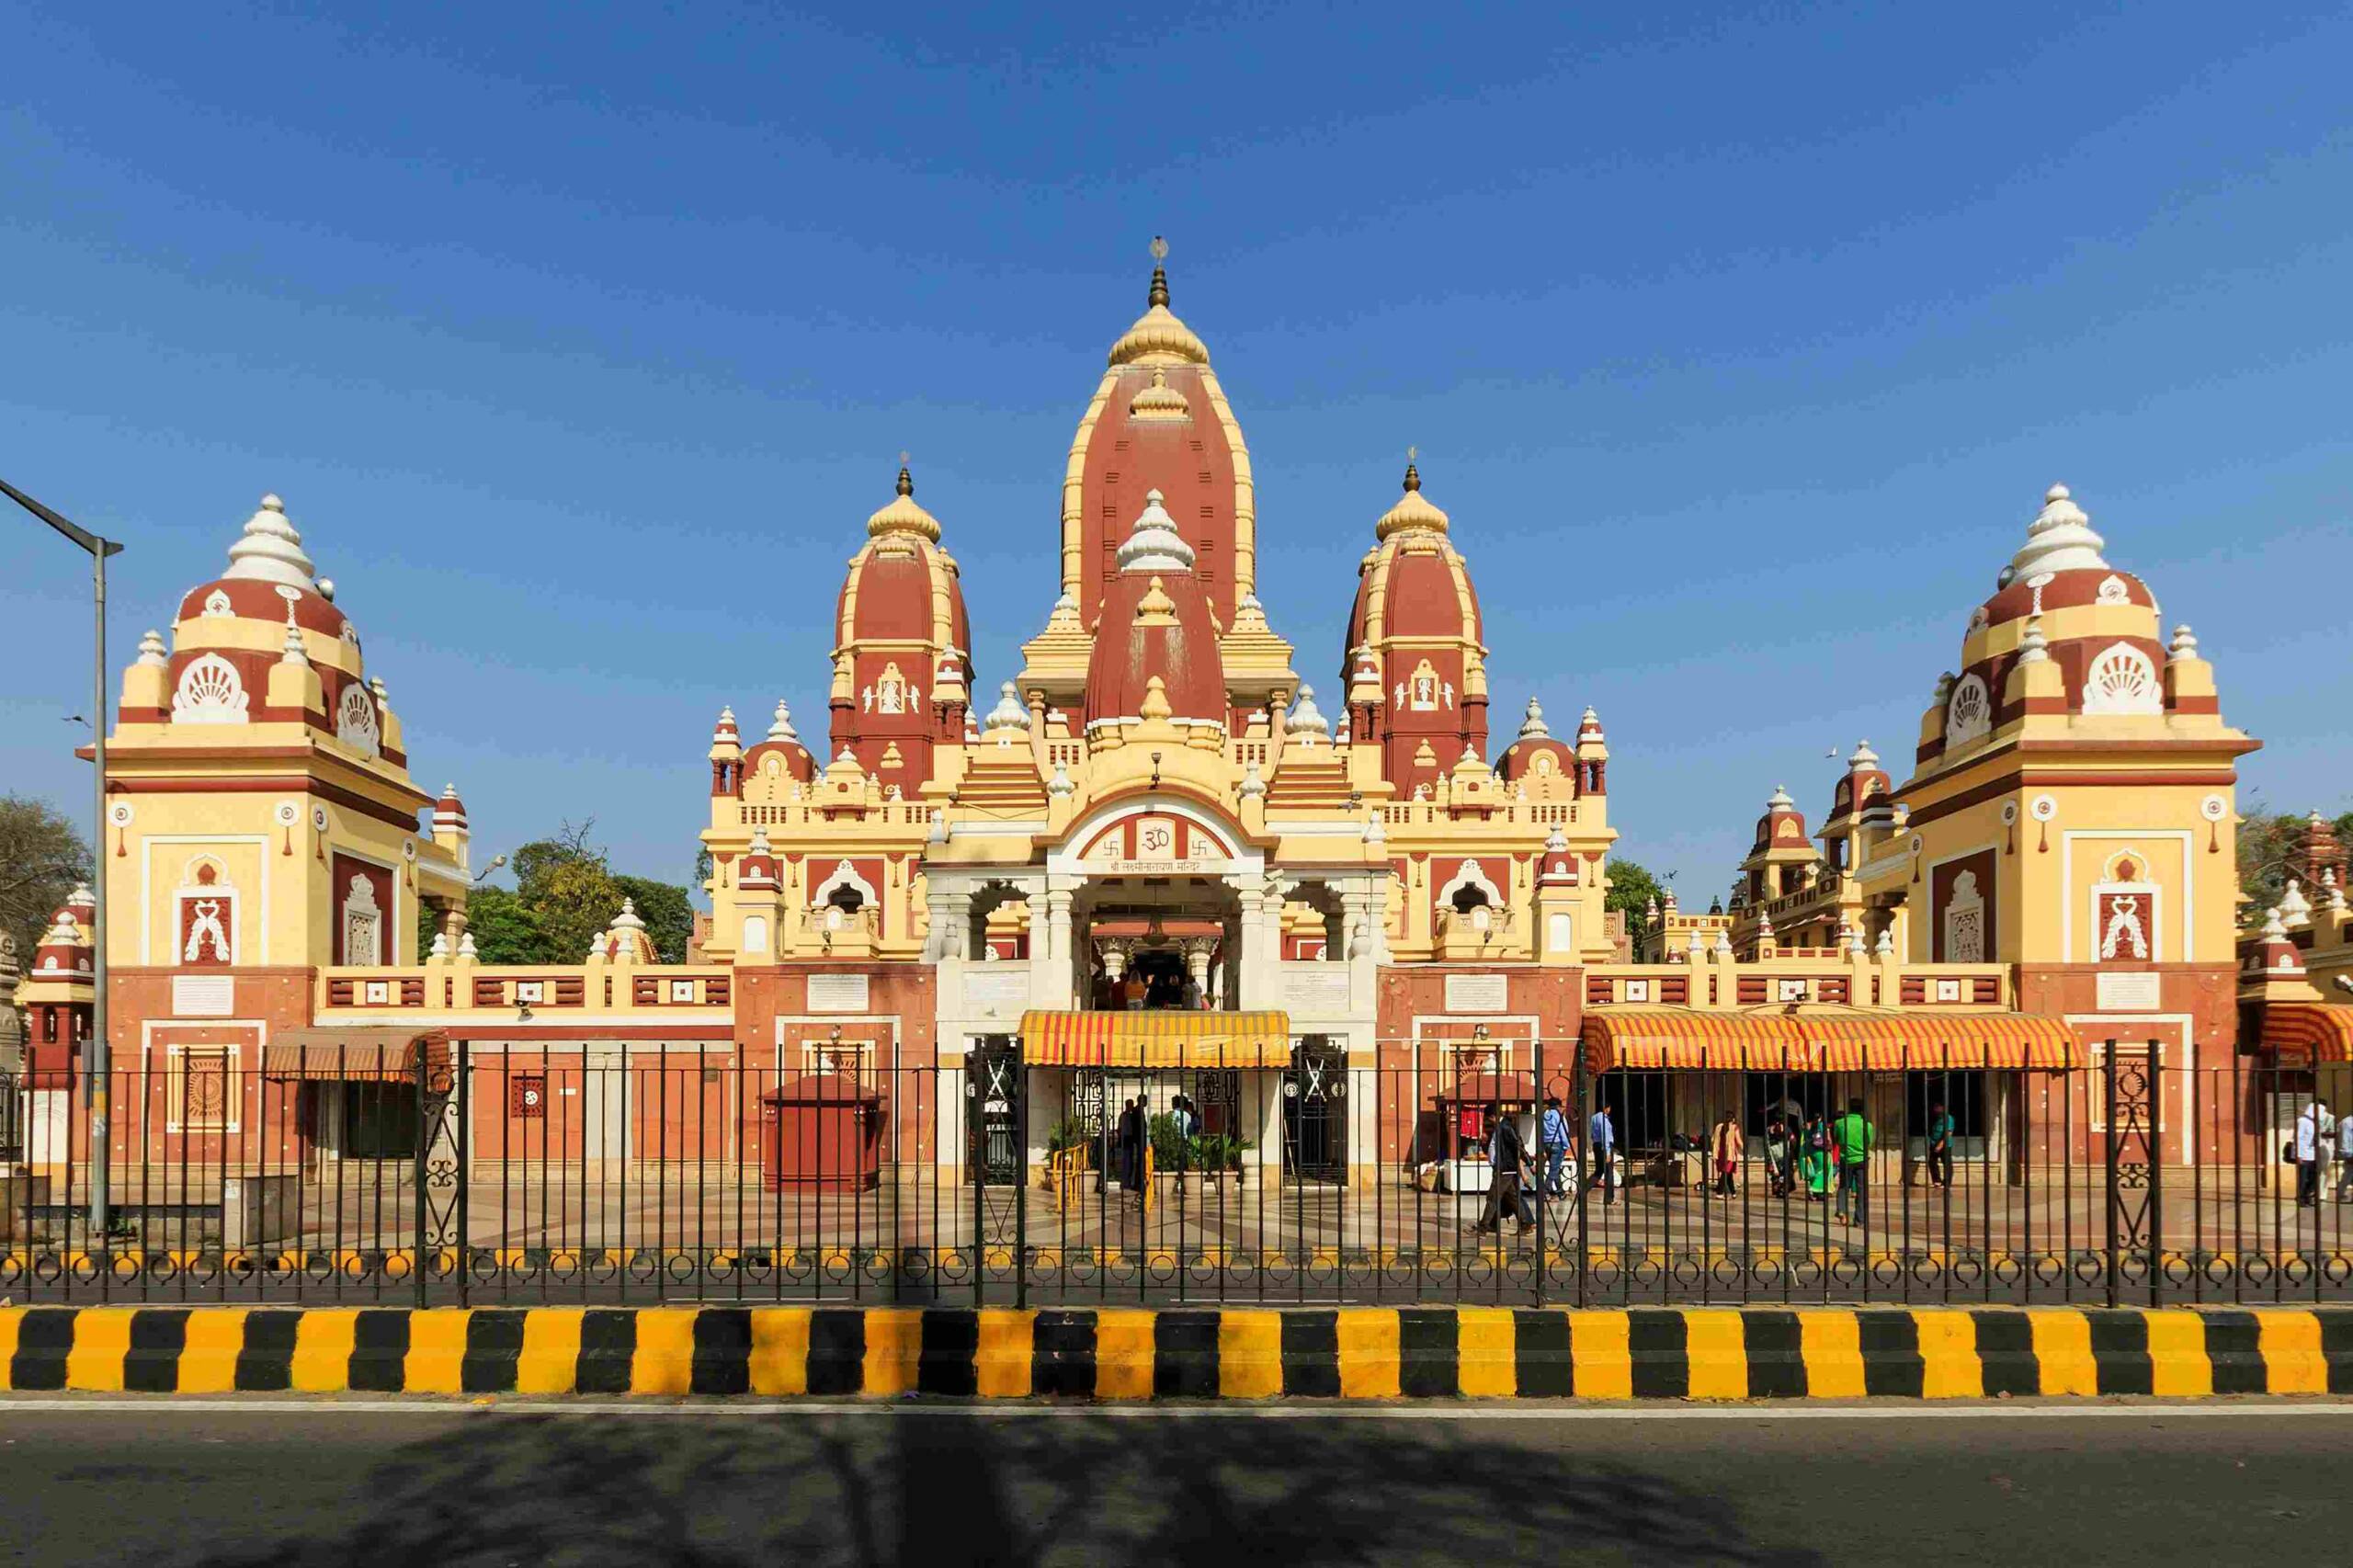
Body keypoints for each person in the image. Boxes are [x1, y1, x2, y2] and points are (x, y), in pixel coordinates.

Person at [1473, 1102, 1534, 1234]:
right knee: (1512, 1198)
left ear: (1493, 1116)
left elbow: (1517, 1146)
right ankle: (1525, 1224)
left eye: (1488, 1118)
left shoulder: (1505, 1127)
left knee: (1492, 1198)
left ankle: (1483, 1228)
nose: (1488, 1121)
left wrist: (1529, 1163)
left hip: (1504, 1169)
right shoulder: (1501, 1127)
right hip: (1504, 1168)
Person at [1832, 1096, 1874, 1225]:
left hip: (1846, 1159)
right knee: (1861, 1190)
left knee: (1844, 1186)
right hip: (1861, 1159)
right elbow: (1869, 1142)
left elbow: (1837, 1140)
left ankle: (1841, 1210)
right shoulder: (1867, 1125)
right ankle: (1859, 1219)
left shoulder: (1839, 1123)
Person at [2292, 1097, 2332, 1208]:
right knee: (2303, 1179)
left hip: (2312, 1155)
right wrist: (2299, 1155)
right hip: (2304, 1155)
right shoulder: (2303, 1122)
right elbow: (2299, 1138)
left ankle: (2307, 1196)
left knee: (2313, 1178)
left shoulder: (2314, 1123)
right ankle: (2301, 1199)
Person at [1540, 1095, 1573, 1198]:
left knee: (1555, 1168)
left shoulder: (1544, 1115)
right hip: (1557, 1143)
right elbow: (1562, 1131)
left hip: (1546, 1144)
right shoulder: (1558, 1115)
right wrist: (1566, 1145)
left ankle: (1560, 1192)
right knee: (1554, 1169)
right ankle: (1545, 1191)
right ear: (1558, 1106)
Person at [1586, 1101, 1618, 1206]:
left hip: (1597, 1145)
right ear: (1606, 1108)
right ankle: (1609, 1198)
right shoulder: (1603, 1119)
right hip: (1604, 1146)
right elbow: (1606, 1135)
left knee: (1599, 1171)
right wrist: (1608, 1152)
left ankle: (1582, 1191)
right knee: (1609, 1173)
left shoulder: (1594, 1118)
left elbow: (1592, 1133)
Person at [1801, 1111, 1835, 1203]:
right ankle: (1816, 1190)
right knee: (1823, 1170)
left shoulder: (1807, 1126)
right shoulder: (1822, 1126)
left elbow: (1804, 1139)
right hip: (1821, 1151)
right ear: (1821, 1117)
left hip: (1811, 1152)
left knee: (1815, 1171)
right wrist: (1830, 1147)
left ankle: (1816, 1191)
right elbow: (1828, 1139)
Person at [1711, 1113, 1745, 1197]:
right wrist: (1744, 1148)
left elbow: (1713, 1139)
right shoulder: (1734, 1127)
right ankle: (1719, 1193)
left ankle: (1733, 1192)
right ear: (1733, 1119)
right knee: (1725, 1172)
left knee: (1728, 1173)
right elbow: (1738, 1140)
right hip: (1729, 1154)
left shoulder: (1719, 1127)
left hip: (1720, 1153)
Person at [1924, 1101, 1955, 1189]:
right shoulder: (1938, 1118)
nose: (1936, 1109)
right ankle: (1937, 1181)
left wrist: (1941, 1144)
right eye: (1935, 1107)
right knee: (1932, 1162)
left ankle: (1947, 1183)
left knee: (1947, 1163)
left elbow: (1948, 1132)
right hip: (1934, 1143)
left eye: (1938, 1107)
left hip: (1944, 1144)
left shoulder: (1948, 1118)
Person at [1763, 1117, 1792, 1199]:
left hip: (1781, 1154)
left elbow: (1791, 1141)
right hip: (1776, 1153)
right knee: (1777, 1174)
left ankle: (1781, 1190)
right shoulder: (1770, 1130)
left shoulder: (1785, 1129)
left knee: (1782, 1174)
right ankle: (1779, 1190)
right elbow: (1767, 1144)